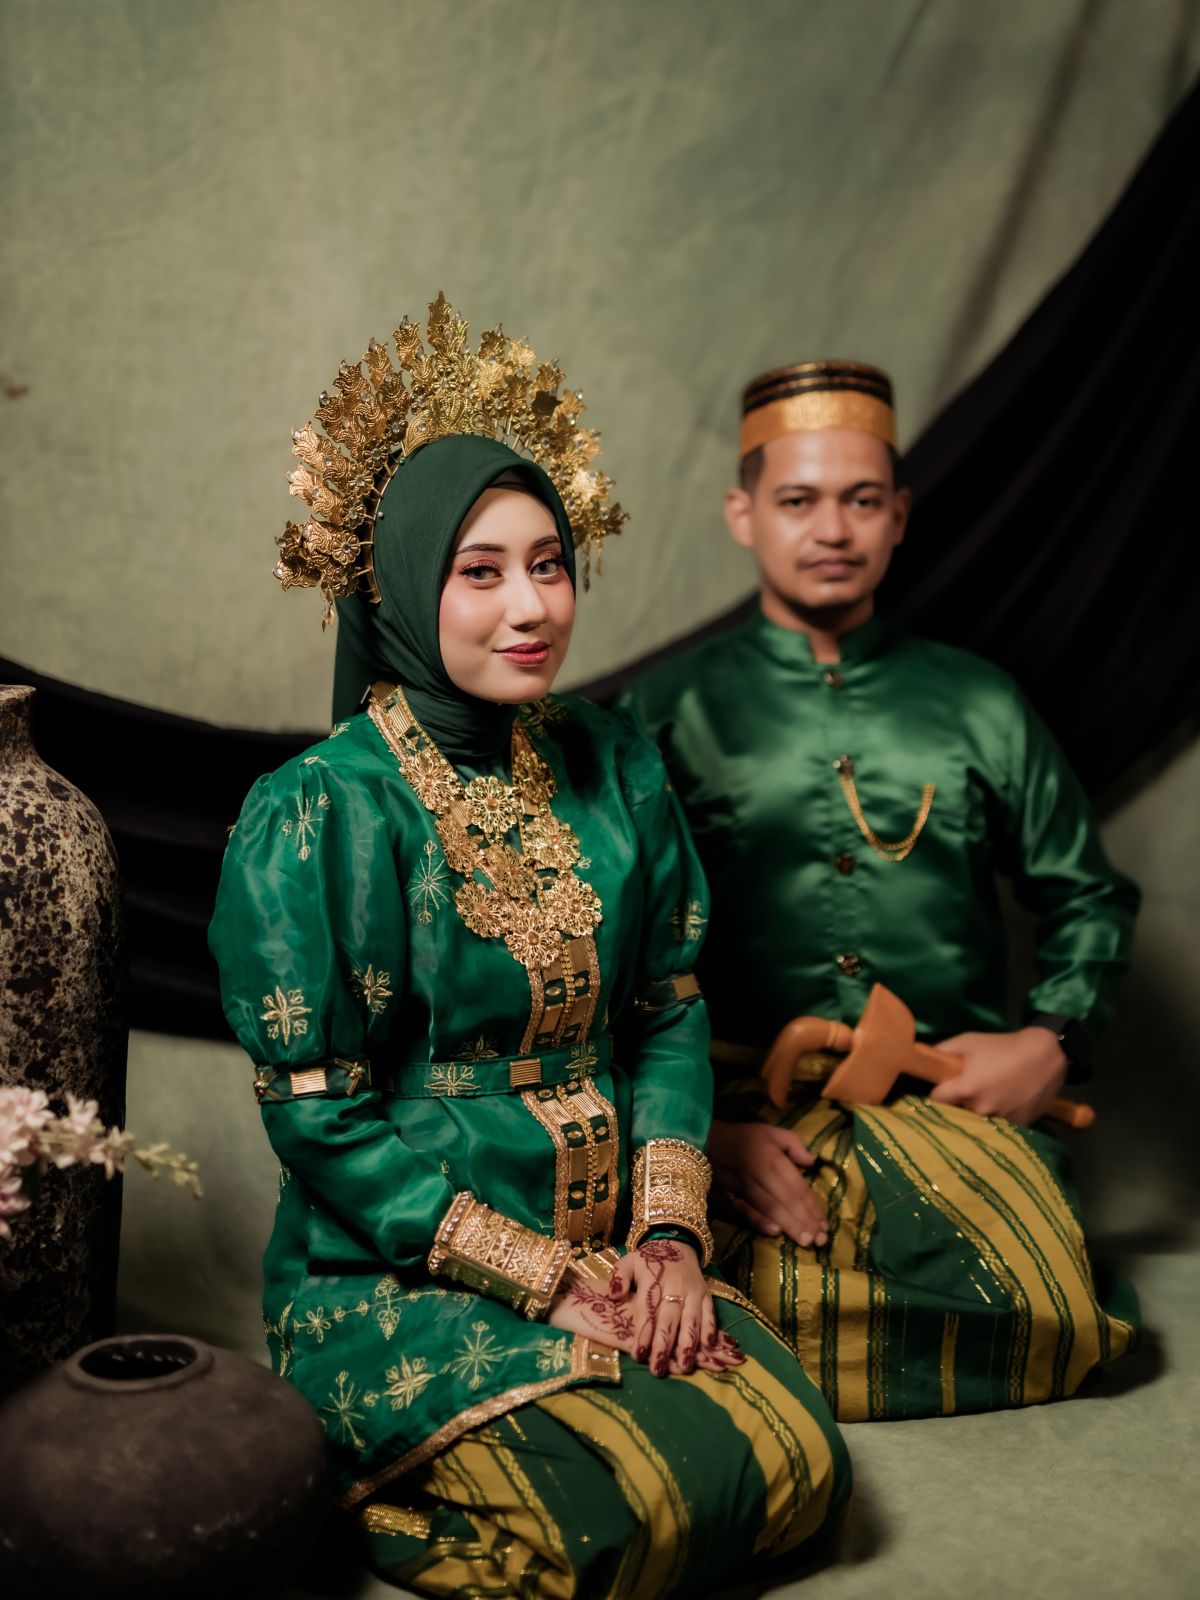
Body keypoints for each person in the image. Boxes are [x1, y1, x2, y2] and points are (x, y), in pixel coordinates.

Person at [209, 303, 850, 1597]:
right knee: (645, 1509)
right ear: (400, 590)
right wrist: (540, 1279)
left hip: (620, 1253)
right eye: (481, 572)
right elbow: (319, 1117)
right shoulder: (324, 811)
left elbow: (664, 1012)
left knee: (797, 1465)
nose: (529, 607)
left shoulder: (614, 763)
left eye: (549, 564)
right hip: (402, 1277)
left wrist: (669, 1239)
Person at [623, 359, 1141, 1421]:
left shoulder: (980, 702)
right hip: (746, 1113)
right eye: (798, 501)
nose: (833, 529)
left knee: (1053, 1312)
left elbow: (1088, 897)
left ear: (900, 516)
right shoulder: (669, 708)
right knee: (698, 1305)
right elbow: (611, 949)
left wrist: (1051, 1042)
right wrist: (696, 1133)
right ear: (742, 514)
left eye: (862, 501)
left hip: (945, 1107)